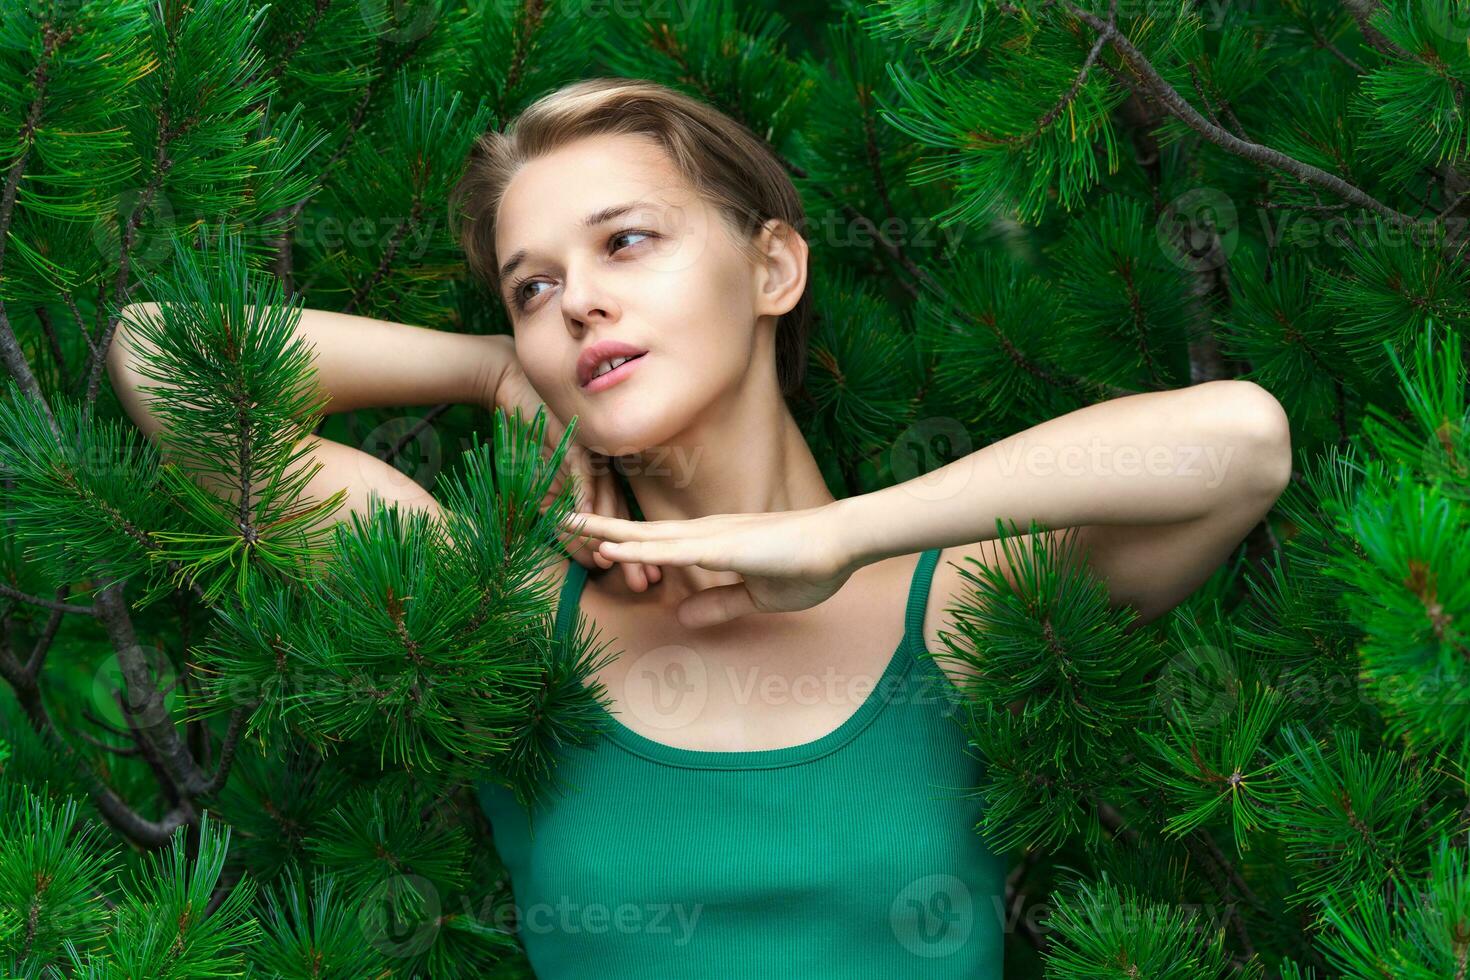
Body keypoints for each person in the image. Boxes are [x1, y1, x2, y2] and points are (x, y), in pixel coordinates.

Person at [108, 75, 1291, 979]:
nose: (578, 299)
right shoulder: (496, 615)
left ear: (772, 266)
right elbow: (159, 355)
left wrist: (847, 537)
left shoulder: (961, 604)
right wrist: (490, 371)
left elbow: (1242, 440)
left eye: (625, 240)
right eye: (533, 286)